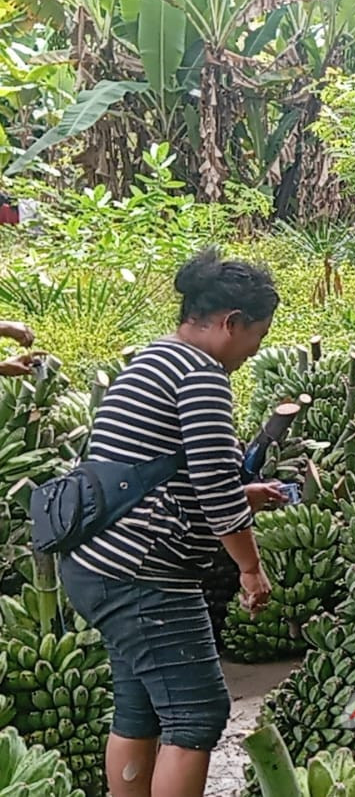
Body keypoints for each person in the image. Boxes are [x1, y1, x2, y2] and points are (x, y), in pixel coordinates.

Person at [58, 249, 284, 797]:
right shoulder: (203, 376)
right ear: (231, 323)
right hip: (143, 575)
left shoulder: (154, 359)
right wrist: (250, 570)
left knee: (138, 707)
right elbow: (214, 489)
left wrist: (241, 492)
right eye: (257, 335)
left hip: (96, 564)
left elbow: (156, 464)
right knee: (198, 713)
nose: (254, 351)